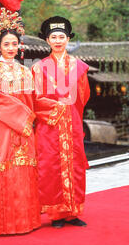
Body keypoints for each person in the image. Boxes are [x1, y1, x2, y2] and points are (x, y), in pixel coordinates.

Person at [0, 9, 64, 236]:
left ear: (20, 46)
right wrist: (24, 118)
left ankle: (25, 221)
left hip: (23, 131)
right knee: (4, 172)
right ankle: (2, 223)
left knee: (24, 172)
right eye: (6, 44)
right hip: (1, 129)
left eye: (14, 44)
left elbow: (34, 100)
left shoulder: (26, 72)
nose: (11, 48)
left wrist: (54, 107)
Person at [31, 16, 90, 228]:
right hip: (50, 125)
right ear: (47, 40)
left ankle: (72, 212)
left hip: (72, 124)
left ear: (68, 39)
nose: (58, 40)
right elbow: (36, 98)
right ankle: (56, 214)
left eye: (61, 37)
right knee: (51, 167)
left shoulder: (79, 67)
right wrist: (59, 108)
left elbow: (83, 96)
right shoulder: (40, 67)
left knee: (74, 166)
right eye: (53, 37)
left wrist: (72, 113)